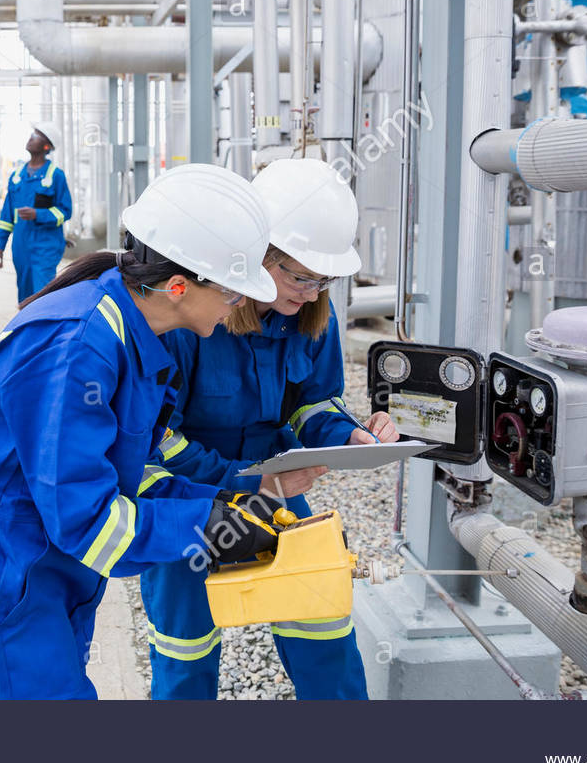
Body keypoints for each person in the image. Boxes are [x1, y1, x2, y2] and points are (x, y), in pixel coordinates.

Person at [0, 164, 304, 699]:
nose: (238, 308)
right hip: (14, 564)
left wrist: (232, 502)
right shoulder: (76, 347)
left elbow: (129, 476)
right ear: (179, 286)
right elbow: (87, 519)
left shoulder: (135, 337)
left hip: (52, 561)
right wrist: (207, 526)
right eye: (232, 293)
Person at [139, 157, 398, 701]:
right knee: (186, 651)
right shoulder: (189, 323)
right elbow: (159, 438)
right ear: (255, 256)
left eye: (322, 278)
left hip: (272, 490)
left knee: (324, 629)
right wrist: (238, 481)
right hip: (192, 498)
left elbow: (312, 402)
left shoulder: (312, 315)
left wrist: (345, 435)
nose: (311, 291)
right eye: (299, 275)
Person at [0, 121, 73, 303]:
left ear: (46, 146)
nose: (31, 138)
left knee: (43, 296)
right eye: (32, 134)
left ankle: (45, 330)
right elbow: (6, 217)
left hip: (46, 247)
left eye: (37, 136)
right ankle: (28, 330)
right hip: (21, 247)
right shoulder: (17, 176)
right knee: (25, 296)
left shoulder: (55, 175)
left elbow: (65, 211)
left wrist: (38, 214)